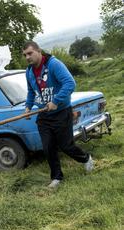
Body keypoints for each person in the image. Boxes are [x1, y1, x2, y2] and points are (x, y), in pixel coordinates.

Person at [22, 41, 94, 188]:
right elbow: (31, 91)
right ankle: (56, 177)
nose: (27, 57)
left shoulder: (54, 64)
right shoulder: (29, 71)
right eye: (25, 55)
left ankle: (86, 158)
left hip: (61, 112)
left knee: (66, 146)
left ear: (38, 51)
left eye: (30, 53)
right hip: (44, 115)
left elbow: (70, 83)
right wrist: (28, 107)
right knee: (48, 147)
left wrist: (55, 101)